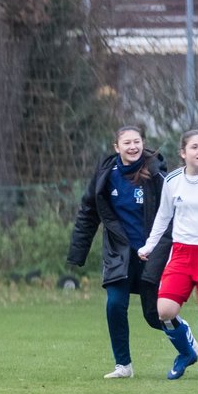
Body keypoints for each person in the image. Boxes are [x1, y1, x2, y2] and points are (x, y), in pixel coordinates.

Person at [66, 125, 172, 379]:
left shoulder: (156, 174)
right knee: (115, 304)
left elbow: (172, 213)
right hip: (118, 253)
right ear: (117, 147)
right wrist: (77, 252)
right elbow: (88, 212)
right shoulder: (105, 175)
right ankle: (123, 365)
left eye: (137, 141)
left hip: (151, 254)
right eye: (127, 143)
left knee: (154, 314)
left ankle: (187, 344)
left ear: (143, 143)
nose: (133, 147)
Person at [137, 130, 198, 381]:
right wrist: (149, 246)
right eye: (195, 147)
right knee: (165, 311)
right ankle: (186, 352)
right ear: (183, 153)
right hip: (182, 254)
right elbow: (164, 217)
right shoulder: (173, 181)